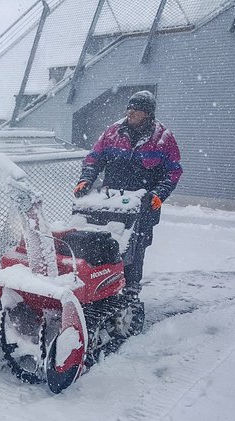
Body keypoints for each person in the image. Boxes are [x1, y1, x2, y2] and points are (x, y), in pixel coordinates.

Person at [73, 90, 183, 298]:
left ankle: (130, 289)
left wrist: (158, 194)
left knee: (134, 248)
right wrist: (86, 179)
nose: (131, 113)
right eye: (129, 108)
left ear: (148, 114)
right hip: (111, 202)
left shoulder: (163, 137)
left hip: (144, 206)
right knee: (102, 242)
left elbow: (173, 171)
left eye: (137, 110)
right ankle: (102, 285)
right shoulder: (113, 132)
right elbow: (94, 158)